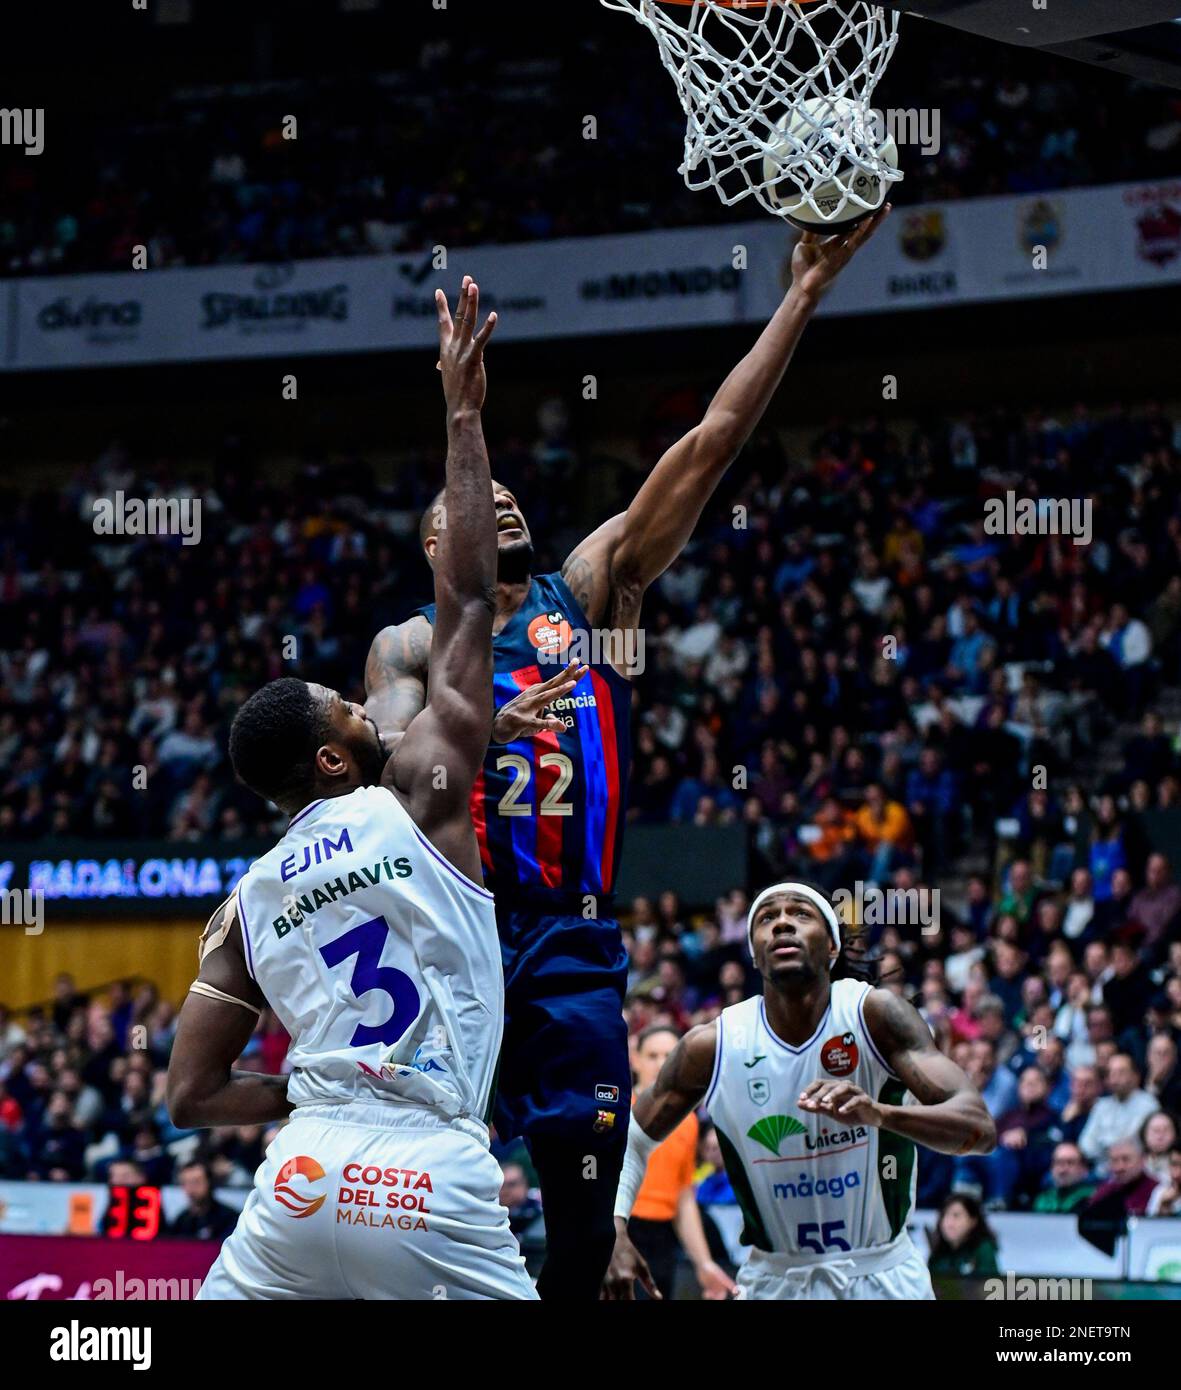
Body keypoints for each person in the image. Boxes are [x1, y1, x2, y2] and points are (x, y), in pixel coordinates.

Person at [364, 217, 889, 1299]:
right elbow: (388, 767)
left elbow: (708, 442)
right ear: (435, 543)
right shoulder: (410, 643)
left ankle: (590, 1239)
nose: (498, 498)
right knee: (416, 1191)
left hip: (571, 930)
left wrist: (797, 295)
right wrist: (464, 738)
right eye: (467, 502)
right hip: (456, 929)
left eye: (508, 494)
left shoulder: (582, 591)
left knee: (579, 1218)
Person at [167, 278, 536, 1300]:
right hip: (425, 1172)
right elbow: (464, 600)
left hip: (300, 1177)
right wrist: (463, 414)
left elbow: (191, 1093)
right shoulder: (419, 786)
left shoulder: (240, 903)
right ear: (333, 759)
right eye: (348, 708)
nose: (369, 710)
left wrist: (309, 1088)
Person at [603, 881, 995, 1300]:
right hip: (775, 1281)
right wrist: (612, 1228)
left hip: (882, 1276)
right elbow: (629, 1141)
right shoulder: (715, 1045)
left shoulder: (874, 1015)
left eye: (800, 914)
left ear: (831, 946)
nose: (782, 924)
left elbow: (979, 1128)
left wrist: (880, 1115)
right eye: (768, 918)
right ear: (754, 952)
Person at [624, 1025, 735, 1301]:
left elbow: (684, 1197)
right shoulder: (616, 1110)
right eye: (652, 1055)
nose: (661, 1064)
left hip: (663, 1242)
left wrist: (704, 1263)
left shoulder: (689, 1122)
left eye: (669, 1055)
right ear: (635, 1059)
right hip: (621, 1232)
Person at [1077, 1053, 1159, 1170]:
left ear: (1135, 1076)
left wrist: (1103, 1143)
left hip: (1136, 1169)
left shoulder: (1148, 1104)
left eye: (1121, 1072)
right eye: (1112, 1073)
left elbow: (1131, 1142)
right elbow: (1086, 1145)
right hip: (1102, 1170)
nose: (1115, 1078)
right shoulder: (1101, 1105)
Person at [926, 1194, 1000, 1279]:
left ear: (973, 1221)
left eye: (956, 1216)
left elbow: (990, 1287)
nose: (949, 1223)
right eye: (944, 1216)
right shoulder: (938, 1251)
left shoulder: (983, 1249)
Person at [166, 1160, 240, 1242]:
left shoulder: (229, 1218)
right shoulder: (181, 1221)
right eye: (186, 1183)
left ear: (209, 1182)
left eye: (196, 1182)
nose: (191, 1188)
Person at [1033, 1141, 1097, 1213]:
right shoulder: (1043, 1199)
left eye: (1070, 1163)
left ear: (1083, 1168)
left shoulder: (1093, 1198)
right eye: (1058, 1162)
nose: (1063, 1169)